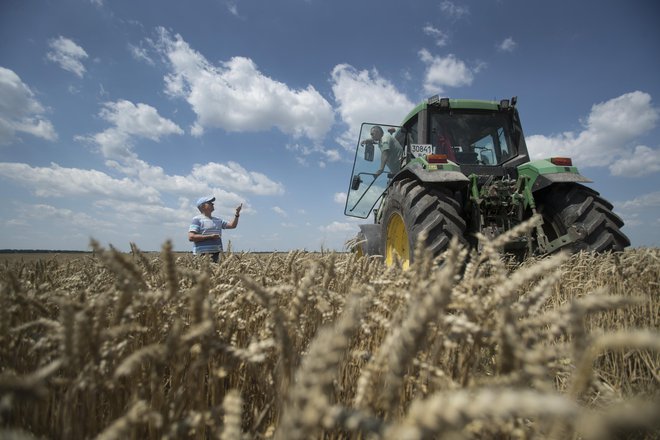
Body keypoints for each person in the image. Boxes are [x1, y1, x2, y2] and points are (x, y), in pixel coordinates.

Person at [188, 196, 242, 263]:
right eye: (209, 202)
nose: (213, 204)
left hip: (216, 254)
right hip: (201, 256)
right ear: (203, 206)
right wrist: (210, 236)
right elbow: (191, 237)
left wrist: (237, 214)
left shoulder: (218, 220)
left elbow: (232, 225)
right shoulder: (196, 220)